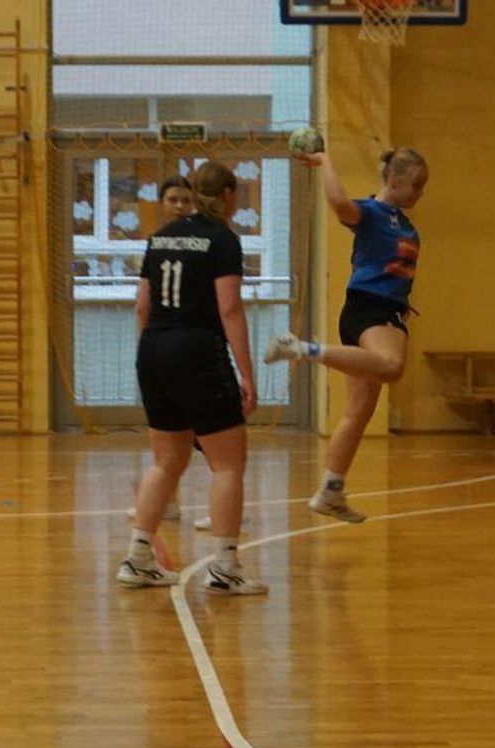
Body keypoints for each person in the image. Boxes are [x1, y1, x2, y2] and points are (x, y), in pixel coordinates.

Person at [116, 160, 265, 595]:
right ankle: (226, 567)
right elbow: (229, 308)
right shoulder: (222, 239)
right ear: (228, 195)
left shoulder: (160, 238)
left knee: (166, 461)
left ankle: (138, 558)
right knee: (228, 464)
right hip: (197, 350)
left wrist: (155, 357)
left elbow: (142, 306)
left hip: (153, 349)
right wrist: (247, 374)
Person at [264, 146, 428, 523]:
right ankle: (302, 349)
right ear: (394, 179)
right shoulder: (371, 213)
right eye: (416, 184)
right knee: (391, 365)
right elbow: (339, 204)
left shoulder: (404, 224)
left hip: (379, 311)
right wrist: (325, 161)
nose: (421, 193)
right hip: (370, 308)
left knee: (358, 412)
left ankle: (331, 491)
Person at [128, 175, 197, 523]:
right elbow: (144, 304)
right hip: (175, 349)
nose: (180, 206)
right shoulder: (157, 243)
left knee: (198, 434)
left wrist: (149, 347)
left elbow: (143, 305)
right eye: (173, 200)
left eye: (186, 200)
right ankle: (168, 501)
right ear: (162, 204)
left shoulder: (187, 243)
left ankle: (226, 505)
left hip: (184, 348)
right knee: (176, 432)